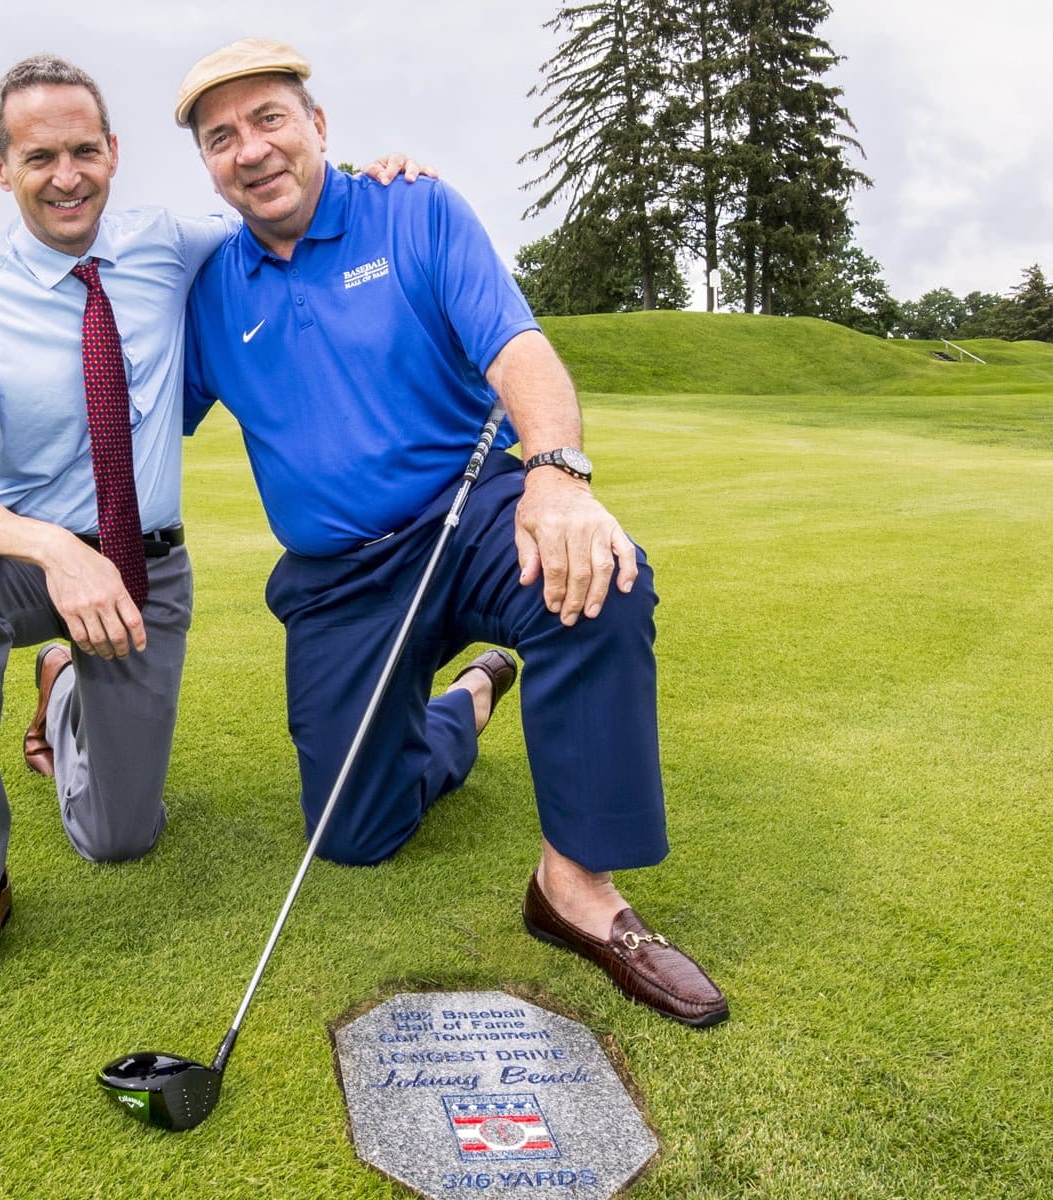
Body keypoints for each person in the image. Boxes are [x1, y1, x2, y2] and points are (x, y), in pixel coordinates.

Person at [174, 40, 727, 1027]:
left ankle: (575, 888)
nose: (250, 150)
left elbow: (519, 351)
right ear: (207, 165)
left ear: (318, 127)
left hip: (465, 518)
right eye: (221, 137)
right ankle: (470, 697)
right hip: (339, 580)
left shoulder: (414, 209)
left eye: (268, 119)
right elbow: (137, 423)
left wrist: (556, 474)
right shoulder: (211, 290)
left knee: (600, 573)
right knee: (355, 834)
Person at [0, 54, 421, 1014]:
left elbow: (280, 202)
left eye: (84, 150)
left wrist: (376, 184)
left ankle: (59, 701)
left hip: (146, 569)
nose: (67, 175)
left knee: (120, 837)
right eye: (39, 155)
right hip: (26, 559)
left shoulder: (174, 244)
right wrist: (54, 552)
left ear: (114, 152)